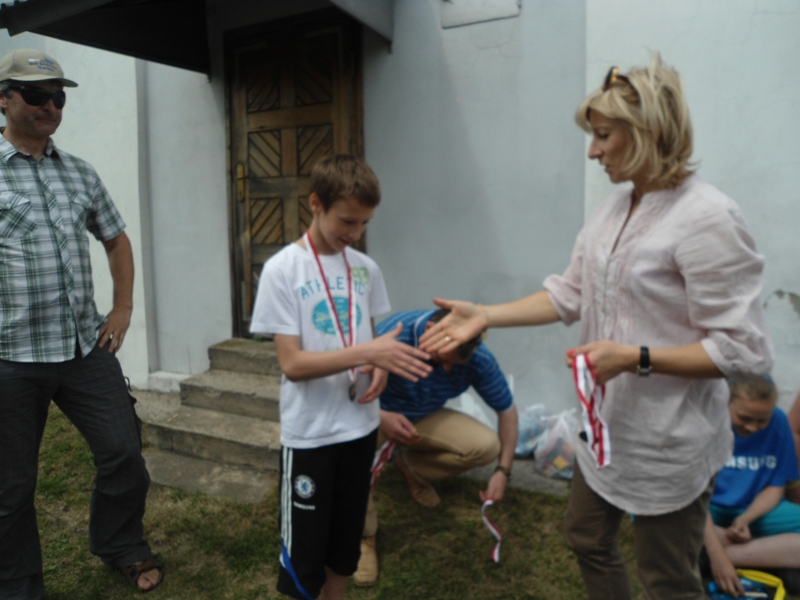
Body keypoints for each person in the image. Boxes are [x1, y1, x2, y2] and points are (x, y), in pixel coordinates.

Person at [419, 55, 772, 600]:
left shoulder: (708, 218)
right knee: (585, 536)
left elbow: (744, 350)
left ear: (650, 132)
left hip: (668, 442)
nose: (592, 151)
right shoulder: (612, 210)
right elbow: (570, 293)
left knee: (667, 581)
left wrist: (636, 358)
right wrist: (486, 314)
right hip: (606, 429)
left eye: (604, 135)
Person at [0, 49, 162, 598]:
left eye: (58, 96)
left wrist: (123, 309)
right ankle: (18, 585)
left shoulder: (79, 172)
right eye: (36, 95)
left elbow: (115, 238)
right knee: (10, 487)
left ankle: (120, 543)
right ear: (4, 99)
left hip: (83, 349)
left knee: (124, 454)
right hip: (11, 356)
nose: (50, 106)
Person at [249, 154, 432, 600]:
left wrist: (379, 365)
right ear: (316, 203)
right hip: (311, 435)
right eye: (347, 221)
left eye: (364, 223)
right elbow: (293, 365)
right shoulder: (282, 270)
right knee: (304, 562)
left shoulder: (365, 269)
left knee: (344, 549)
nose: (355, 233)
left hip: (359, 429)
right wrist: (370, 351)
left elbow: (366, 340)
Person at [352, 308, 518, 587]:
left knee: (486, 447)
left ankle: (412, 468)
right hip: (371, 412)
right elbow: (345, 391)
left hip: (423, 416)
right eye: (442, 360)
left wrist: (503, 471)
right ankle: (364, 536)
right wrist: (380, 417)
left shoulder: (477, 357)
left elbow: (507, 411)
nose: (448, 369)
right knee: (353, 461)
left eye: (455, 364)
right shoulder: (393, 334)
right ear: (430, 329)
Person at [704, 377, 800, 597]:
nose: (752, 427)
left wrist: (745, 520)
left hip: (756, 508)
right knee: (670, 520)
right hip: (704, 508)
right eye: (744, 418)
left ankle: (717, 556)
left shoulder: (779, 421)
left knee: (684, 539)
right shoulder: (707, 420)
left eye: (762, 421)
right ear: (726, 402)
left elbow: (776, 486)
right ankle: (767, 554)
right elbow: (692, 498)